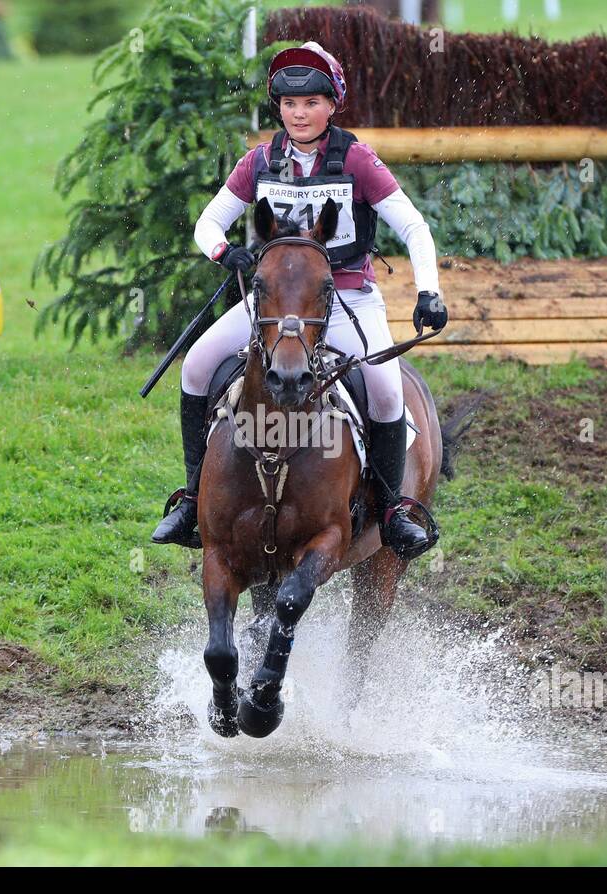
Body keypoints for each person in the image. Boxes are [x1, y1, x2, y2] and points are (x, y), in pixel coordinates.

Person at [151, 41, 449, 556]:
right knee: (195, 367)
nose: (299, 113)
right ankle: (192, 496)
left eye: (311, 102)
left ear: (332, 105)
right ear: (279, 110)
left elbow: (415, 227)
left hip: (347, 299)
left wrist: (430, 291)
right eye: (289, 105)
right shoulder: (260, 160)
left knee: (384, 390)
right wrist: (228, 254)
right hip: (274, 305)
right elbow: (207, 224)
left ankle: (390, 511)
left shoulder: (356, 160)